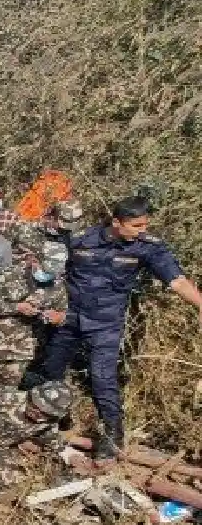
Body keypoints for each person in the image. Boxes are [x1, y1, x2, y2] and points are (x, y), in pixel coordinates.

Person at [37, 195, 202, 459]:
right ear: (116, 222)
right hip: (69, 318)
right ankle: (46, 424)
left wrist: (200, 305)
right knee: (51, 370)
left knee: (103, 379)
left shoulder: (147, 247)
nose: (142, 230)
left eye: (145, 224)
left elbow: (177, 281)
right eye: (136, 225)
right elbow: (53, 270)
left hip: (106, 324)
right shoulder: (81, 238)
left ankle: (112, 437)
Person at [0, 236, 68, 401]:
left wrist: (57, 318)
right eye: (45, 270)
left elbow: (62, 315)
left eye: (51, 273)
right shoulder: (10, 274)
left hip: (21, 350)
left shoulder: (57, 287)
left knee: (4, 397)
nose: (47, 275)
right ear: (34, 260)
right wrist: (15, 307)